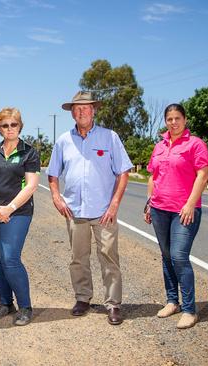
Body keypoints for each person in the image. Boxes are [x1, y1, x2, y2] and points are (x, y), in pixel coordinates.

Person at [47, 91, 133, 325]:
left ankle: (113, 304)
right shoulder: (64, 140)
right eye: (77, 108)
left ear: (94, 110)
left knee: (109, 257)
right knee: (78, 258)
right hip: (75, 212)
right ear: (72, 112)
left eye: (86, 107)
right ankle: (83, 298)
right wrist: (56, 196)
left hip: (105, 211)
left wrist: (115, 203)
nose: (81, 111)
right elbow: (53, 173)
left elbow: (123, 171)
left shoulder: (110, 137)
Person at [143, 103, 208, 329]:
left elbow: (203, 175)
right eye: (169, 119)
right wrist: (149, 203)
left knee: (179, 256)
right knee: (166, 255)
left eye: (177, 118)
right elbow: (153, 176)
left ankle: (190, 310)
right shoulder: (159, 145)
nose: (173, 122)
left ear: (185, 119)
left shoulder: (196, 144)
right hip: (160, 208)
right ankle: (172, 301)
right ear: (166, 121)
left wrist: (191, 204)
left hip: (184, 210)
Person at [0, 107, 40, 326]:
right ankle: (6, 303)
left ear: (20, 126)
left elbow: (32, 185)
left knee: (10, 259)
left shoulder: (29, 151)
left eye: (13, 124)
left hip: (18, 213)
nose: (9, 128)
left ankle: (25, 306)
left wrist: (9, 208)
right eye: (5, 125)